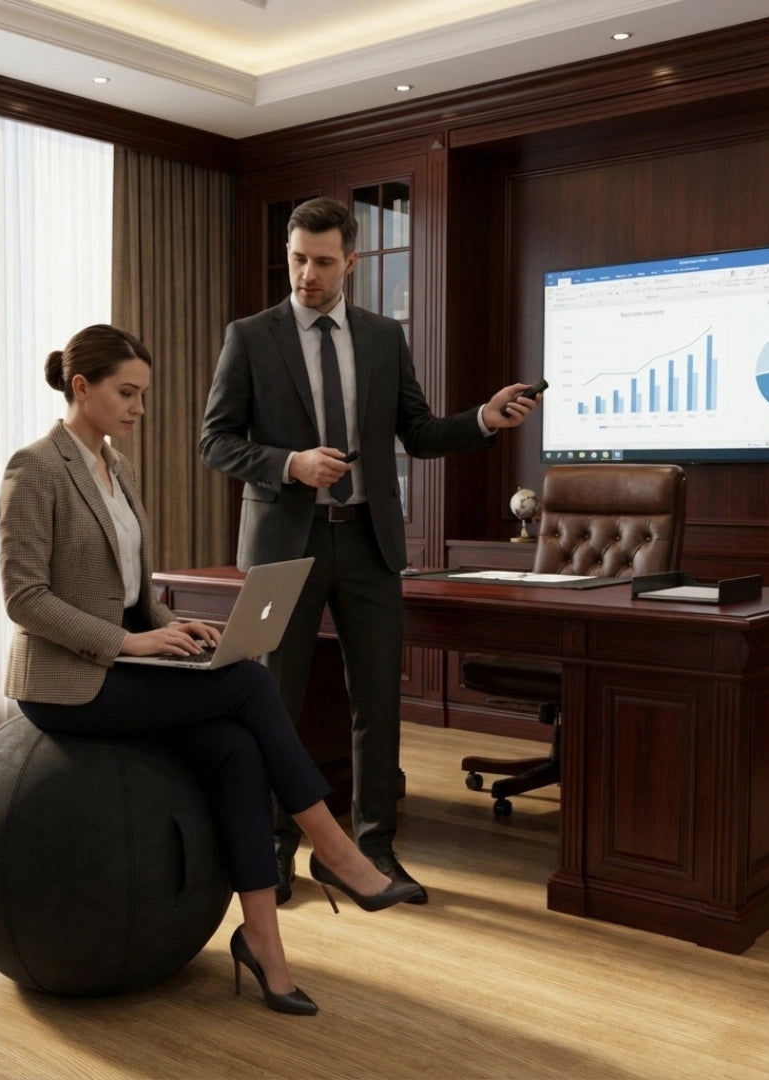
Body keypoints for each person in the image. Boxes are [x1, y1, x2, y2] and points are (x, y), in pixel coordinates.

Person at [0, 323, 421, 1017]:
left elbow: (133, 593)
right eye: (127, 393)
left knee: (234, 748)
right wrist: (129, 645)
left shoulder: (118, 467)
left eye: (143, 394)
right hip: (67, 685)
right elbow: (25, 600)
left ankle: (264, 947)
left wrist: (174, 627)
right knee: (251, 684)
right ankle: (339, 854)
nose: (139, 408)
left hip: (124, 661)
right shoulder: (35, 468)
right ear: (82, 387)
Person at [199, 197, 540, 905]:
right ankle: (273, 847)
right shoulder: (251, 336)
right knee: (272, 701)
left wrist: (482, 418)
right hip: (279, 548)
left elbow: (415, 432)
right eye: (298, 258)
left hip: (367, 541)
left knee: (378, 701)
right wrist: (290, 464)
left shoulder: (383, 337)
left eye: (323, 261)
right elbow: (215, 441)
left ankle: (373, 850)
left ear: (350, 262)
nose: (306, 274)